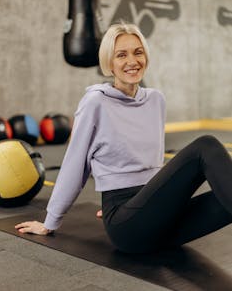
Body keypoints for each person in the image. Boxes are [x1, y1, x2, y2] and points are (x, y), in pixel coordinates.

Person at [15, 23, 232, 253]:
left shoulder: (156, 100)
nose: (132, 61)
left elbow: (153, 163)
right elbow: (74, 166)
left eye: (138, 52)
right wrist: (50, 222)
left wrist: (146, 203)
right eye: (121, 55)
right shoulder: (95, 103)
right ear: (109, 63)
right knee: (205, 146)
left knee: (225, 198)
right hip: (127, 225)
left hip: (158, 216)